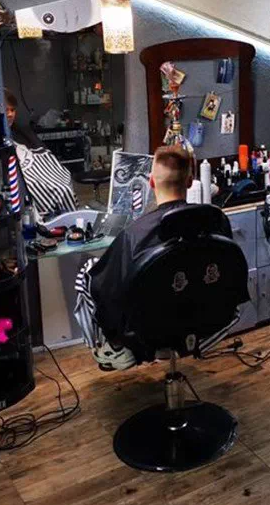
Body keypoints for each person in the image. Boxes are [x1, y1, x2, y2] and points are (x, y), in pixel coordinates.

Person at [74, 146, 194, 370]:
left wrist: (114, 331)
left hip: (149, 324)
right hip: (199, 315)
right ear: (190, 181)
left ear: (151, 182)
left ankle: (115, 347)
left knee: (90, 274)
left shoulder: (135, 234)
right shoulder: (212, 219)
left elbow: (106, 291)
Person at [5, 89, 78, 220]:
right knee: (59, 190)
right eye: (6, 110)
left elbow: (47, 159)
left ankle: (68, 220)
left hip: (47, 175)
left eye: (13, 110)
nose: (10, 114)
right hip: (29, 179)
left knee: (64, 185)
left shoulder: (22, 133)